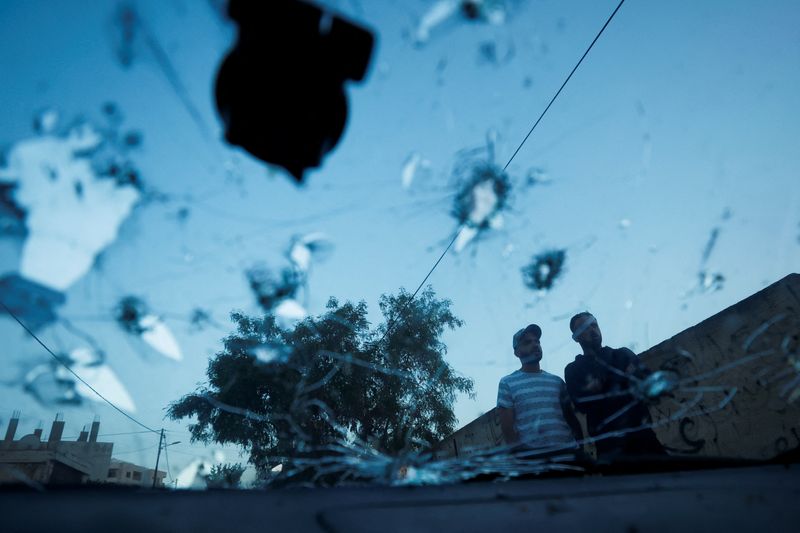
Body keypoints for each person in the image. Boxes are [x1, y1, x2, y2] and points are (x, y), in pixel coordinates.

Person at [564, 312, 665, 459]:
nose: (592, 330)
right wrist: (624, 376)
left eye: (594, 325)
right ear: (576, 337)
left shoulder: (622, 354)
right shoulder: (574, 369)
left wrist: (600, 386)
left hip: (644, 437)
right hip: (608, 447)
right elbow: (582, 403)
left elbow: (647, 383)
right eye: (585, 327)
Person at [497, 324, 583, 454]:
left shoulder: (557, 381)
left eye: (537, 341)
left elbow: (570, 417)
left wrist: (580, 448)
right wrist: (520, 457)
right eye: (527, 342)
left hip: (568, 454)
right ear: (517, 352)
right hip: (534, 460)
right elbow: (508, 428)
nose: (535, 344)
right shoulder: (507, 383)